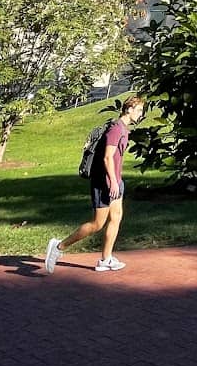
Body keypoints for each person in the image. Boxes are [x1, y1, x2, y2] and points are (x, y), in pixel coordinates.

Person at [43, 94, 145, 274]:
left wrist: (117, 181)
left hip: (115, 181)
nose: (140, 114)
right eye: (138, 110)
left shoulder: (123, 129)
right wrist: (113, 182)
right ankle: (58, 247)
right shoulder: (116, 129)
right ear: (129, 110)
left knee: (116, 217)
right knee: (97, 224)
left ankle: (106, 259)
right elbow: (107, 157)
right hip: (104, 182)